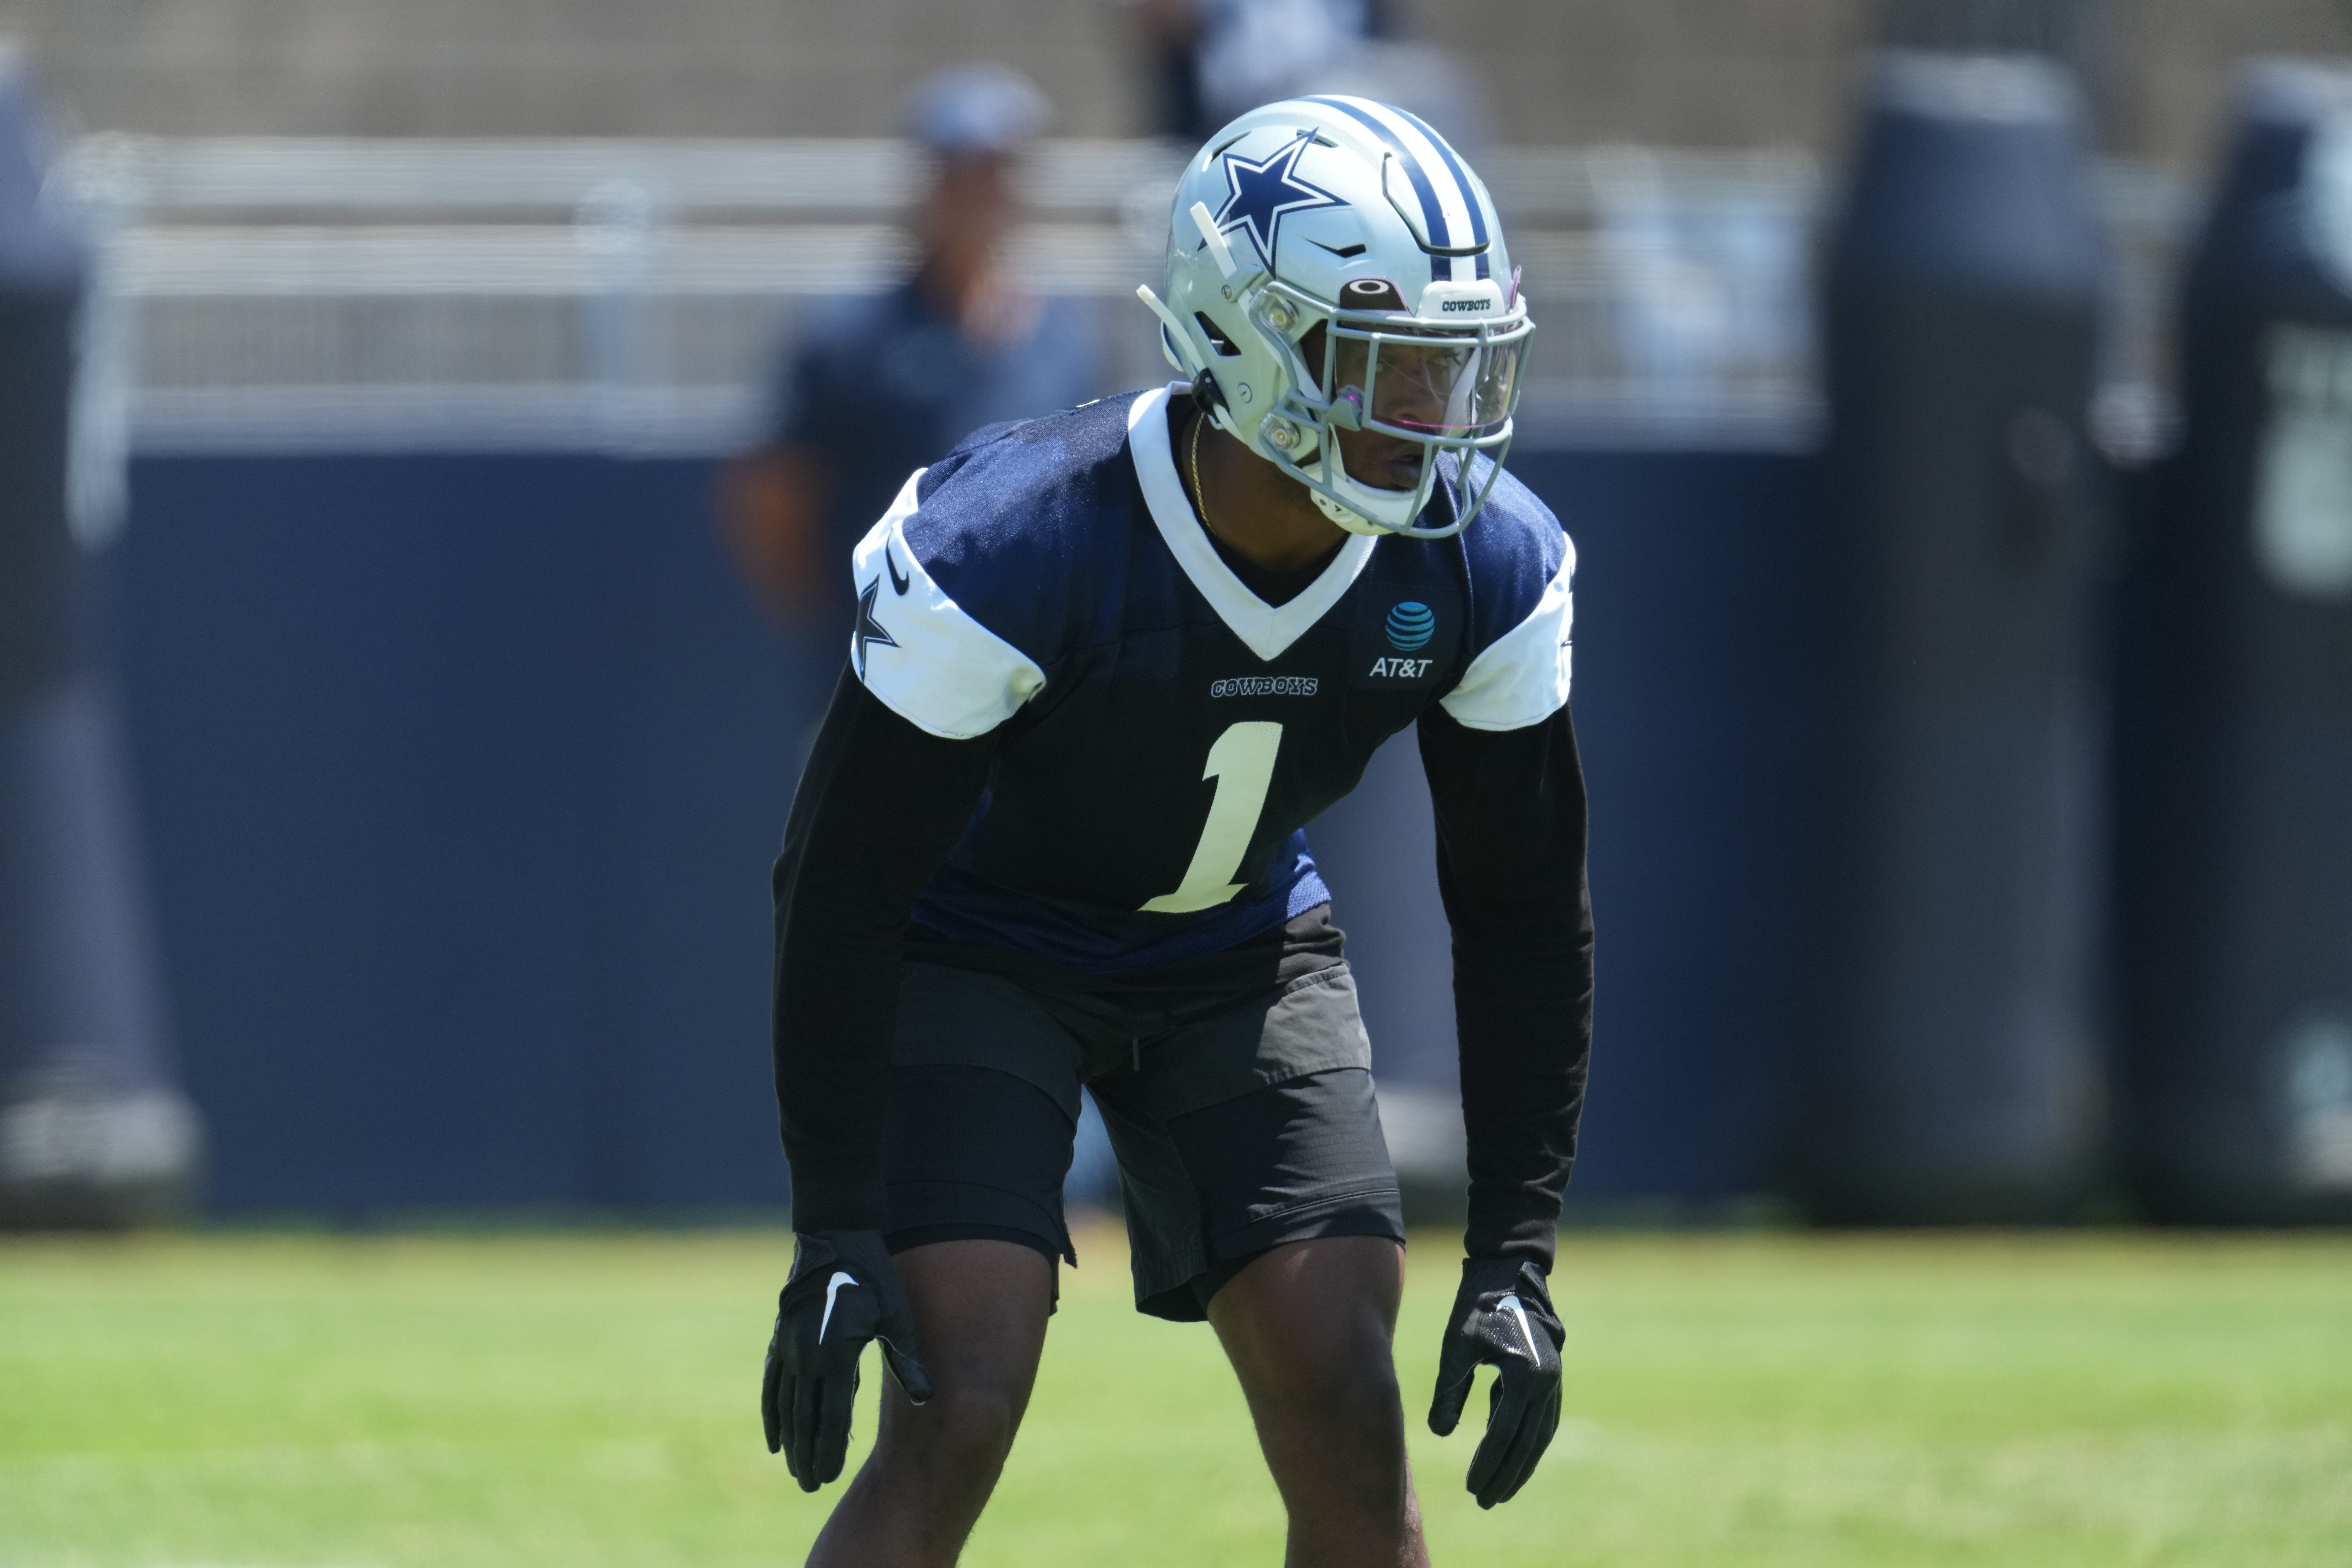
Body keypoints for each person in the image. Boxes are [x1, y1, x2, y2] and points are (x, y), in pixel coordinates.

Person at [761, 95, 1591, 1567]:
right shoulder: (1020, 541)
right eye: (1389, 367)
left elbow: (1523, 908)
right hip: (979, 949)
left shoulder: (1485, 563)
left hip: (1240, 949)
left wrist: (1518, 1255)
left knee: (1349, 1404)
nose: (1432, 422)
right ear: (1242, 334)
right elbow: (840, 882)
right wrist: (832, 1225)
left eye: (1457, 375)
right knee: (960, 1392)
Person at [720, 64, 1097, 631]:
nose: (990, 190)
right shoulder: (848, 332)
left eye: (1005, 169)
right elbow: (775, 497)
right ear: (931, 180)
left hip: (1030, 659)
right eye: (971, 170)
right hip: (888, 660)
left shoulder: (1066, 329)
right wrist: (846, 628)